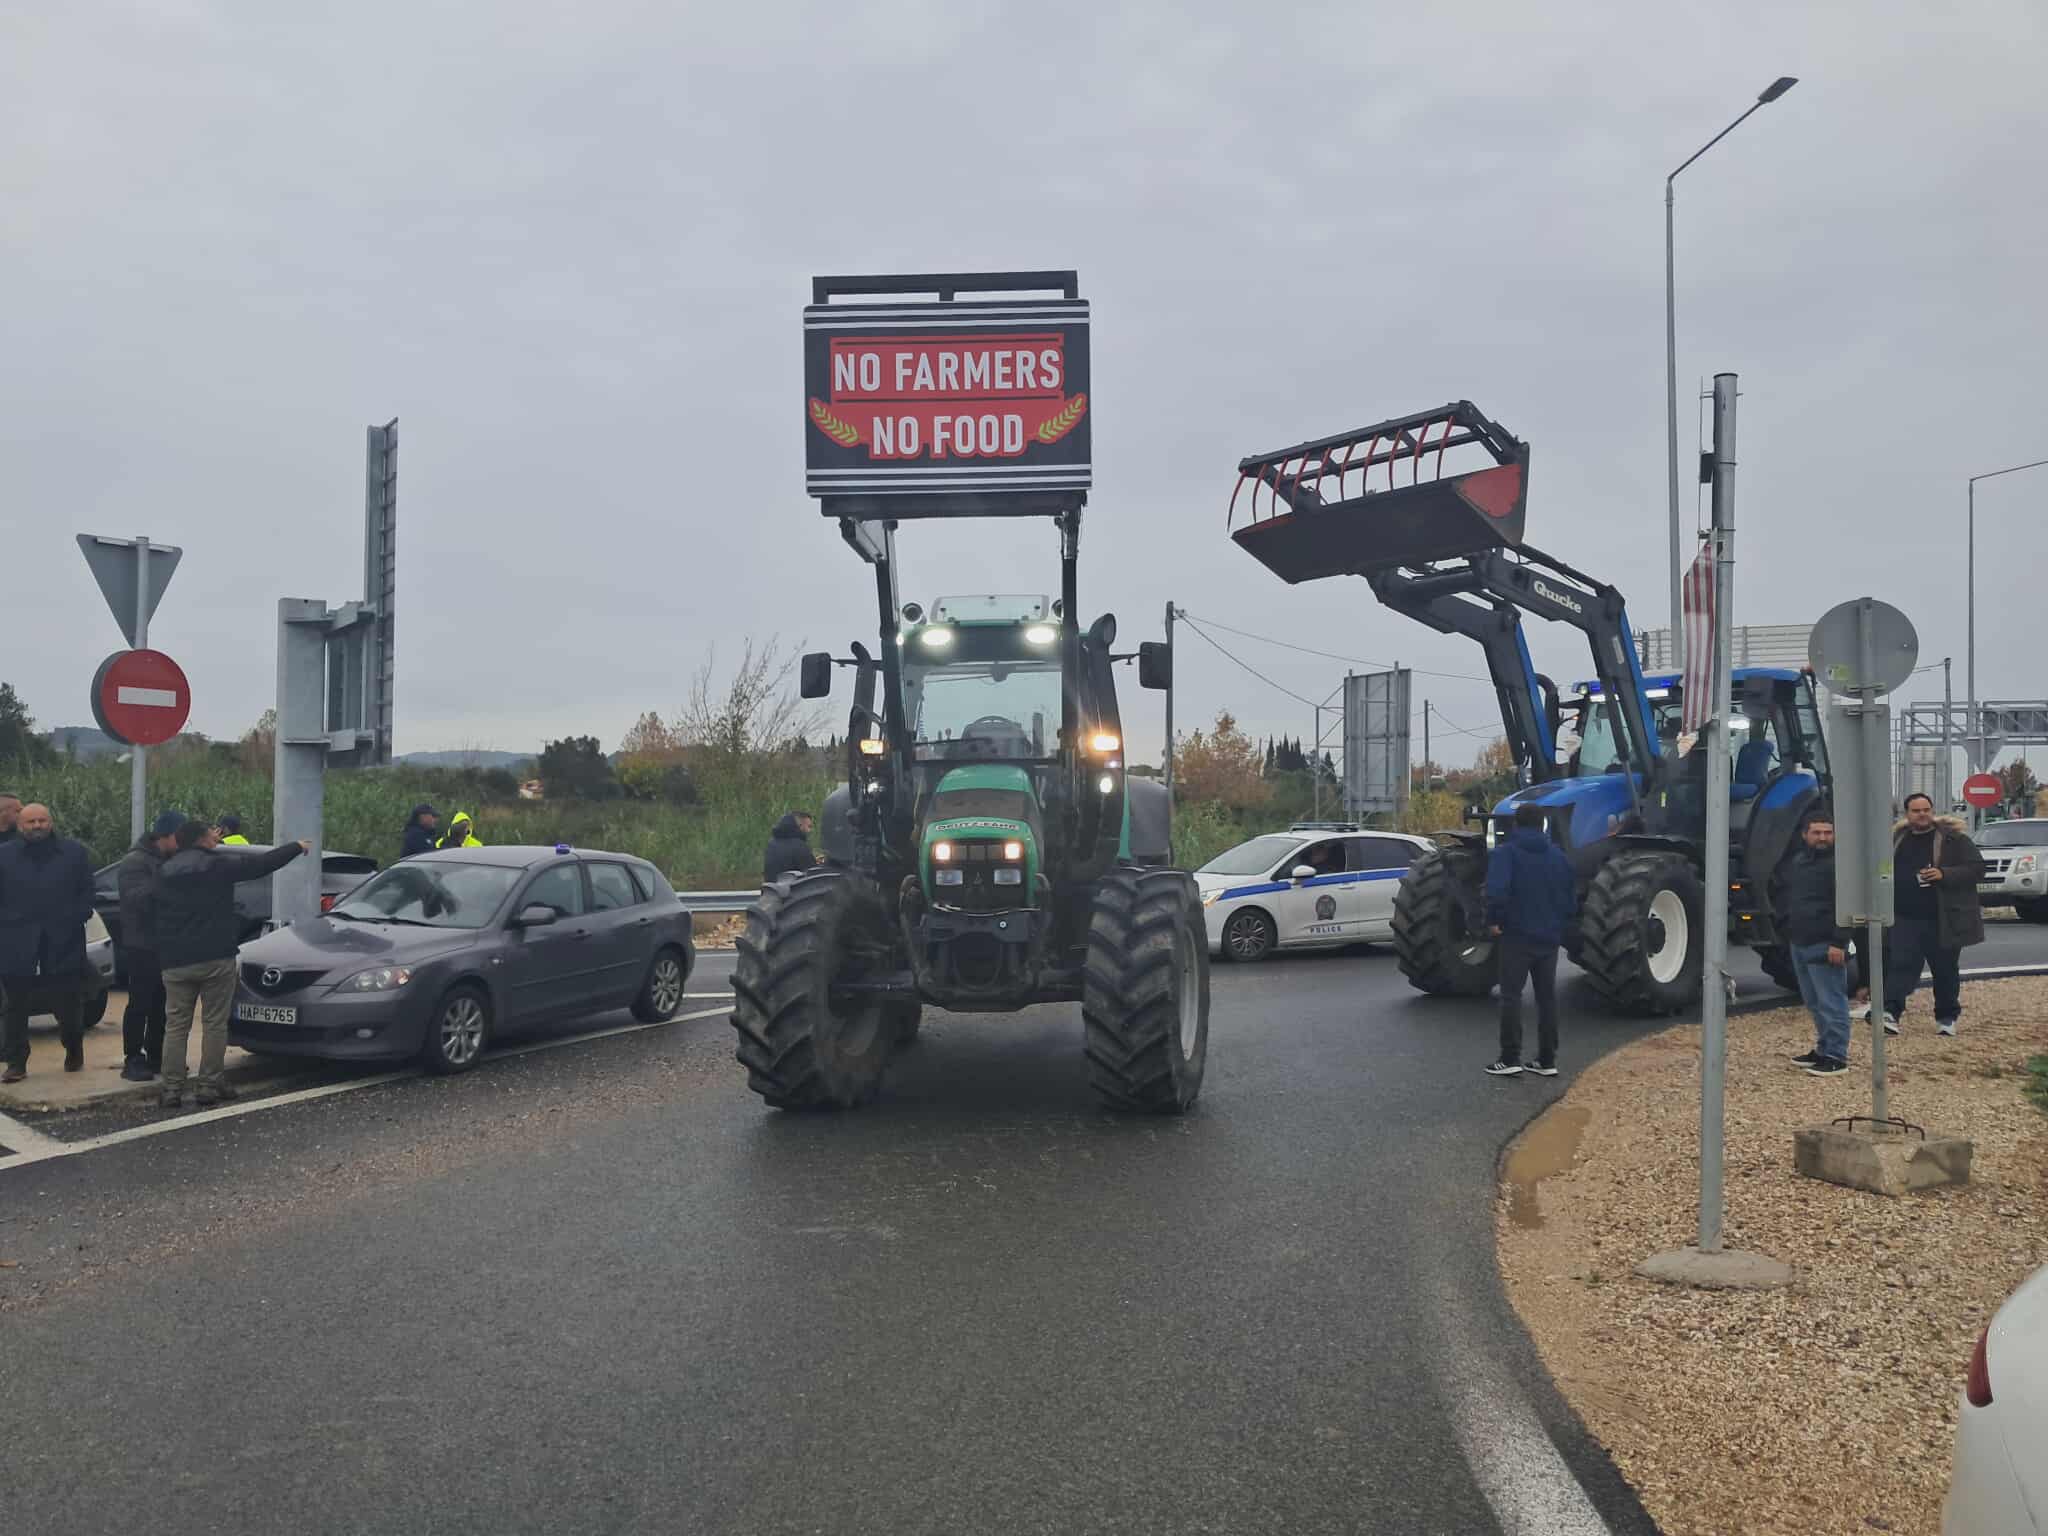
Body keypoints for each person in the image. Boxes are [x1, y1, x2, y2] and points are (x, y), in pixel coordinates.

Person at [155, 822, 307, 1108]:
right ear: (202, 840)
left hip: (175, 960)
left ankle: (171, 1088)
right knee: (214, 1023)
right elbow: (263, 864)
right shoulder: (219, 865)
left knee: (176, 1025)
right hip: (215, 956)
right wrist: (296, 847)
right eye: (211, 836)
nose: (216, 838)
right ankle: (209, 1085)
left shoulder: (164, 871)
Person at [0, 803, 97, 1083]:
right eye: (31, 822)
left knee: (67, 1003)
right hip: (17, 942)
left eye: (42, 820)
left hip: (63, 940)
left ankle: (73, 1047)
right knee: (16, 1006)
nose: (37, 826)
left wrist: (76, 915)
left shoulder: (74, 853)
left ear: (51, 823)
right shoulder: (4, 856)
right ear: (20, 825)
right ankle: (17, 1062)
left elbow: (87, 893)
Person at [1482, 804, 1578, 1078]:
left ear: (1516, 824)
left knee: (1511, 996)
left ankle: (1510, 1057)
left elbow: (1497, 892)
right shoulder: (1559, 857)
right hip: (1548, 938)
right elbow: (1570, 898)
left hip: (1516, 936)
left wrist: (1493, 920)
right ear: (1542, 825)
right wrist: (1558, 923)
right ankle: (1547, 1060)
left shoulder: (1506, 854)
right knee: (1547, 999)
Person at [1884, 791, 1986, 1038]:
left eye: (1926, 809)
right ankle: (1890, 1013)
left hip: (1943, 918)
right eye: (1916, 810)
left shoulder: (1954, 839)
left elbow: (1977, 869)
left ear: (1932, 810)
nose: (1922, 815)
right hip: (1905, 916)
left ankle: (1946, 1017)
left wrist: (1944, 874)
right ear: (1906, 814)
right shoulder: (1895, 840)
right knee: (1900, 966)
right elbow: (1882, 869)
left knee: (1945, 969)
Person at [1772, 807, 1855, 1076]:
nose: (1823, 837)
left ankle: (1836, 1056)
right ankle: (1823, 1048)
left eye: (1828, 833)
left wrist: (1839, 942)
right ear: (1804, 834)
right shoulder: (1798, 862)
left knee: (1832, 1001)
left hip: (1825, 942)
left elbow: (1846, 906)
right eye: (1817, 832)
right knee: (1814, 1001)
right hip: (1799, 941)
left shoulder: (1840, 865)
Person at [115, 811, 187, 1082]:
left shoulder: (166, 859)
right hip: (142, 945)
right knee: (140, 1003)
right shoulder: (135, 862)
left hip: (167, 944)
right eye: (178, 840)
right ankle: (133, 1058)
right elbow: (138, 900)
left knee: (163, 1003)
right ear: (164, 837)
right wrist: (168, 878)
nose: (181, 847)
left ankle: (157, 1055)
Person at [762, 811, 817, 884]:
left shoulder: (771, 844)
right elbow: (813, 875)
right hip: (792, 892)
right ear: (800, 826)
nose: (810, 830)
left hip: (772, 891)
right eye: (809, 826)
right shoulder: (799, 846)